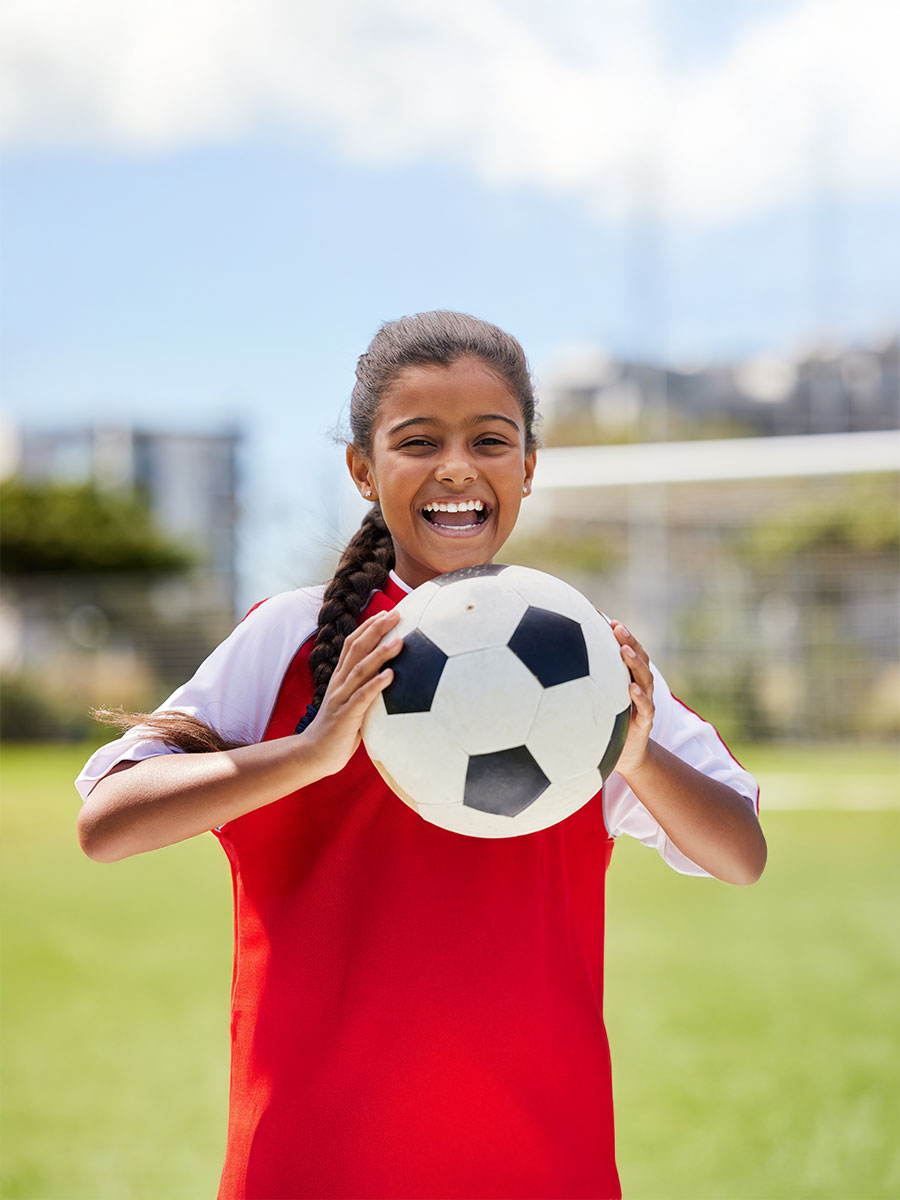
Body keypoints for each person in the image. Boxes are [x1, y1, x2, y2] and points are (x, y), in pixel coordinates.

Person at [76, 310, 766, 1200]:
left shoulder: (588, 656)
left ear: (527, 467)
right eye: (417, 440)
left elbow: (740, 856)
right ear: (362, 467)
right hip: (312, 1161)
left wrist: (636, 756)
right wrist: (307, 756)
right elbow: (107, 825)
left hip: (543, 1163)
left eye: (490, 440)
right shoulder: (294, 634)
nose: (456, 468)